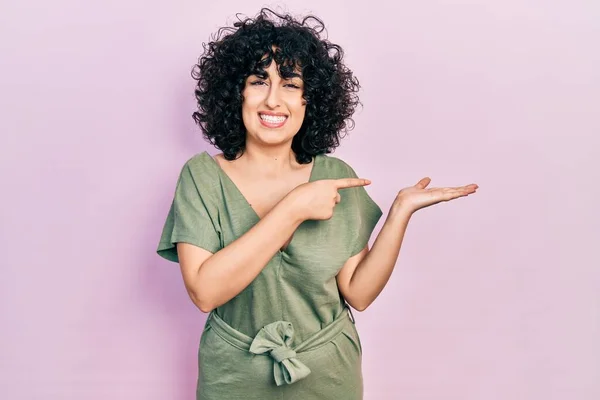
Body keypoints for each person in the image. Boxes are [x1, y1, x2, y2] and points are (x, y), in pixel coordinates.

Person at [156, 8, 478, 400]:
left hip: (329, 375)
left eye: (290, 85)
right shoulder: (202, 177)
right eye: (259, 81)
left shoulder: (335, 173)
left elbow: (357, 292)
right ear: (235, 93)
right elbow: (205, 292)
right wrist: (293, 208)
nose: (273, 100)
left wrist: (399, 213)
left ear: (311, 100)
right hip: (233, 377)